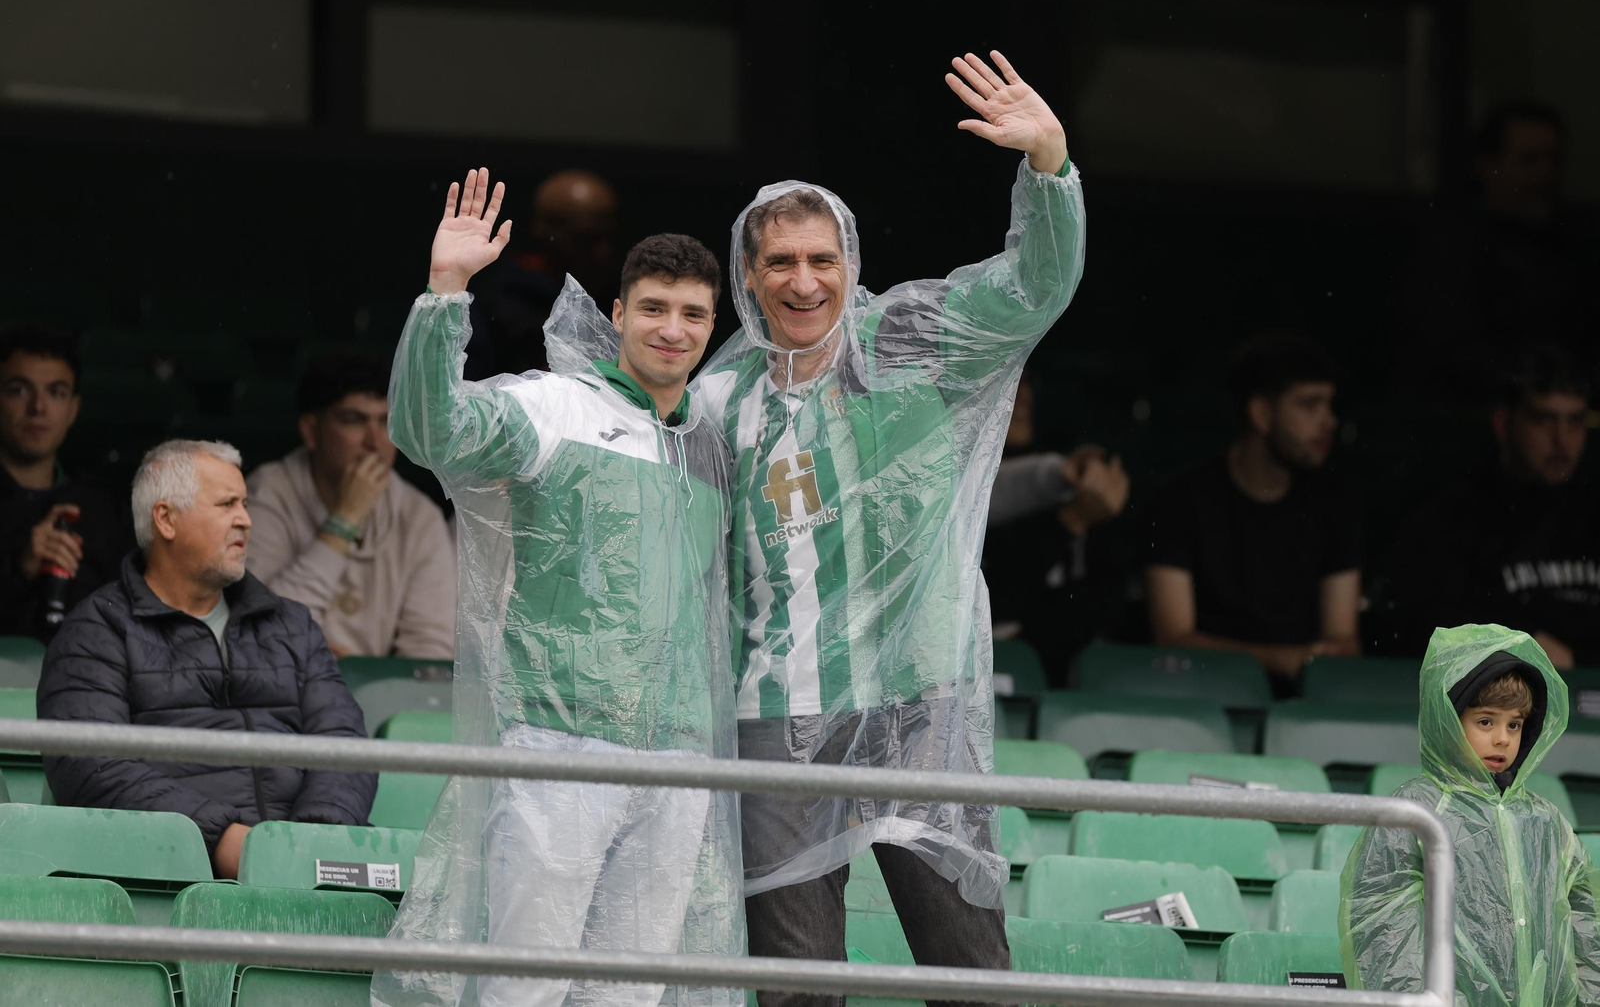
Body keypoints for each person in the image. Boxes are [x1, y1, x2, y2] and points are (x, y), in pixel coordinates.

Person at [693, 50, 1084, 1001]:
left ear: (852, 264)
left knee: (971, 968)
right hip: (775, 714)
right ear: (750, 271)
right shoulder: (714, 399)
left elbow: (1033, 288)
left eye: (822, 259)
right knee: (794, 983)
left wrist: (1049, 168)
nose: (803, 281)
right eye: (780, 261)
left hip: (919, 704)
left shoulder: (909, 341)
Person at [370, 170, 742, 1007]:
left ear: (713, 325)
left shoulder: (714, 449)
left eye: (691, 314)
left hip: (681, 757)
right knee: (523, 992)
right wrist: (445, 292)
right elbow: (430, 430)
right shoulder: (553, 407)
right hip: (561, 746)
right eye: (652, 308)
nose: (672, 330)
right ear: (616, 313)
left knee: (630, 999)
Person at [35, 439, 374, 878]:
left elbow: (345, 745)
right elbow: (90, 765)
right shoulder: (95, 631)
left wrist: (308, 844)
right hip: (171, 877)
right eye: (227, 504)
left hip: (309, 868)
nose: (246, 520)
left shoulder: (292, 625)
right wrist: (221, 839)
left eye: (246, 504)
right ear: (166, 519)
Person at [1339, 623, 1600, 1004]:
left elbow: (1586, 921)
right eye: (1485, 721)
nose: (1502, 738)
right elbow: (1382, 927)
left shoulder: (1545, 822)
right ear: (1448, 721)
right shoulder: (1416, 812)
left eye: (1514, 725)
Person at [1144, 332, 1361, 688]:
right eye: (1309, 405)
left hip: (1304, 702)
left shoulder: (1336, 504)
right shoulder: (1180, 502)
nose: (1329, 421)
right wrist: (1279, 659)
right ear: (1260, 413)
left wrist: (1307, 662)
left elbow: (1343, 643)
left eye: (1329, 404)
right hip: (1200, 692)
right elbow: (1173, 640)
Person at [1386, 346, 1597, 667]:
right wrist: (1516, 645)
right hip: (1492, 696)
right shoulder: (1454, 515)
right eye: (1543, 420)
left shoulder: (1593, 513)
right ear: (1503, 423)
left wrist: (1580, 660)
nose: (1562, 439)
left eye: (1576, 421)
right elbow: (1423, 623)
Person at [245, 351, 455, 659]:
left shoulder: (420, 517)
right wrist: (345, 519)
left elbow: (429, 655)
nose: (374, 441)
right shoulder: (266, 494)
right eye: (354, 421)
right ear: (311, 431)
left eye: (386, 422)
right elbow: (261, 635)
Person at [1400, 101, 1593, 401]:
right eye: (1530, 161)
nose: (1545, 175)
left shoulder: (1572, 244)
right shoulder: (1453, 246)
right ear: (1488, 166)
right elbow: (1455, 348)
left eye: (1554, 161)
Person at [984, 372, 1132, 678]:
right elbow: (997, 602)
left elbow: (1104, 612)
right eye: (1007, 377)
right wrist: (1070, 521)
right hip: (994, 677)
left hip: (1067, 685)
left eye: (1027, 382)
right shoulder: (962, 486)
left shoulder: (1076, 483)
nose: (1021, 395)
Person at [0, 324, 132, 641]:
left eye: (56, 392)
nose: (38, 408)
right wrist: (19, 571)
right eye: (19, 390)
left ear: (72, 410)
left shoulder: (104, 508)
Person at [463, 169, 620, 380]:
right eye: (585, 239)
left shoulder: (618, 298)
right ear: (543, 234)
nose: (602, 252)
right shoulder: (494, 305)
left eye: (609, 238)